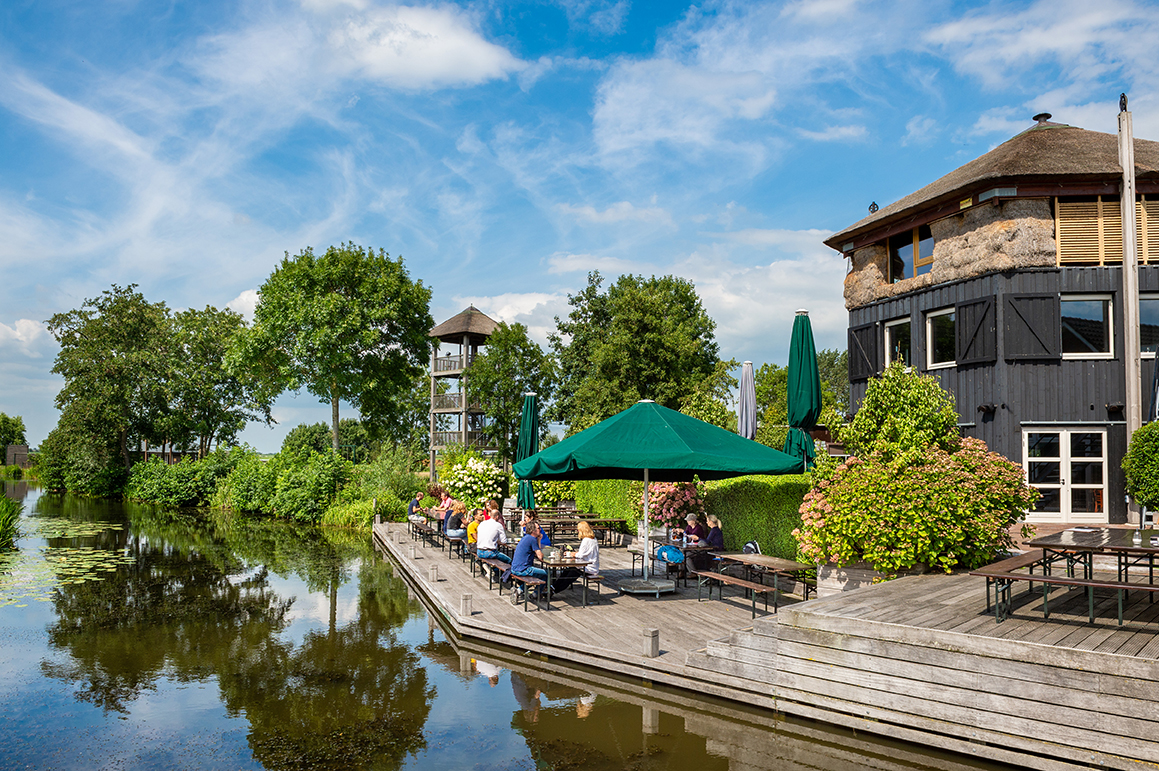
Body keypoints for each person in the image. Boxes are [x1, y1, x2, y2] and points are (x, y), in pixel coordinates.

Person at [510, 520, 549, 604]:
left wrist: (539, 539)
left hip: (515, 568)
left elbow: (536, 549)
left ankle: (519, 591)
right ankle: (535, 594)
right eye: (538, 528)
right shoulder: (532, 539)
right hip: (523, 569)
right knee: (546, 574)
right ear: (533, 531)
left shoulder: (527, 538)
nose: (540, 530)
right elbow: (540, 556)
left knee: (536, 575)